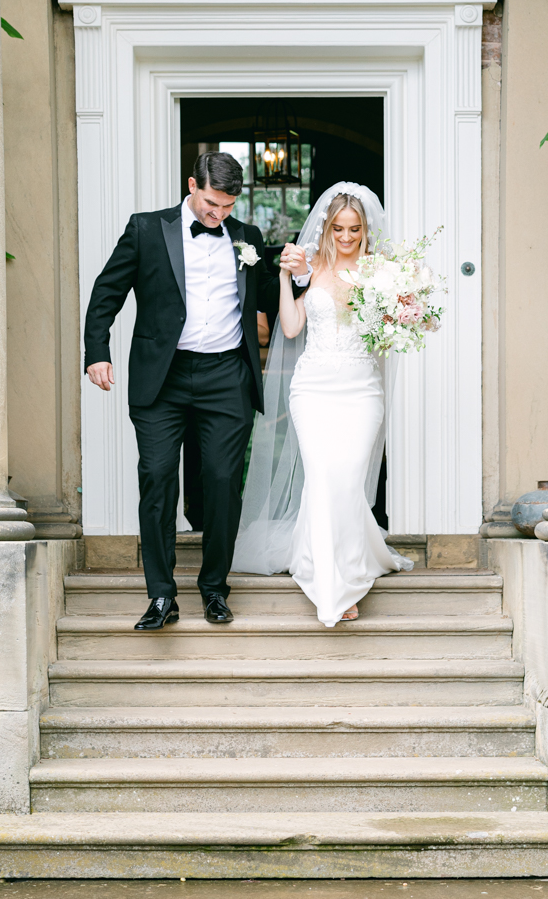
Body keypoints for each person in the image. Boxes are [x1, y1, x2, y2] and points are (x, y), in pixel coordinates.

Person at [83, 152, 279, 630]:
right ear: (192, 184)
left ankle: (214, 587)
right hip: (162, 379)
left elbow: (271, 296)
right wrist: (97, 351)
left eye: (228, 207)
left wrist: (300, 269)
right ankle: (161, 597)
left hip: (226, 378)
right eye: (212, 203)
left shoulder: (247, 238)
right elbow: (107, 291)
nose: (220, 215)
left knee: (221, 483)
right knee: (157, 478)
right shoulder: (147, 229)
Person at [233, 182, 413, 625]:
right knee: (322, 476)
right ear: (328, 228)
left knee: (348, 481)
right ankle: (335, 587)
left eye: (354, 229)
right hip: (312, 390)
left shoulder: (382, 273)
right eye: (339, 228)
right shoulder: (309, 266)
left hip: (360, 390)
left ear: (366, 229)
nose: (347, 237)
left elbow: (391, 336)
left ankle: (349, 568)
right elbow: (291, 327)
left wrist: (407, 315)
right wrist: (280, 277)